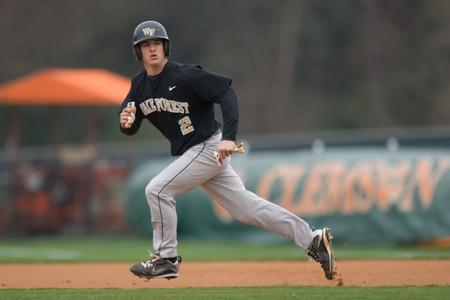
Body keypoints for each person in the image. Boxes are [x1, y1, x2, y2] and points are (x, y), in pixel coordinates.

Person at [119, 20, 335, 281]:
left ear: (165, 48)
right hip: (196, 155)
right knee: (246, 209)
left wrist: (229, 138)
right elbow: (130, 122)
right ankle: (312, 240)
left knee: (157, 189)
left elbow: (226, 93)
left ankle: (166, 258)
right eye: (145, 45)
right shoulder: (138, 86)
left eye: (156, 43)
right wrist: (126, 122)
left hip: (208, 148)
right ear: (138, 52)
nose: (152, 49)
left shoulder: (186, 75)